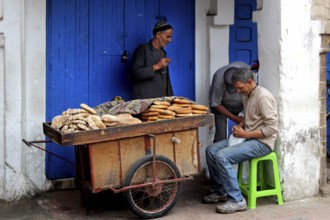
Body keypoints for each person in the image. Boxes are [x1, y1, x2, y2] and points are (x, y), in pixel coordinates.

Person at [203, 68, 278, 214]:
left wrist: (246, 133)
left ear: (250, 82)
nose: (238, 91)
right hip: (248, 137)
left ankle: (237, 200)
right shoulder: (247, 94)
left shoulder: (263, 97)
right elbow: (248, 118)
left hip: (262, 143)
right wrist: (240, 127)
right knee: (211, 150)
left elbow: (272, 129)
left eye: (240, 88)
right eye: (237, 88)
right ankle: (220, 191)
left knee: (222, 156)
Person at [131, 20, 174, 99]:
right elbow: (135, 74)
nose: (170, 40)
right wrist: (156, 66)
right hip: (145, 101)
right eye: (168, 36)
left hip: (161, 102)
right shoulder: (142, 50)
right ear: (158, 34)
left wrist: (171, 98)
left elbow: (166, 80)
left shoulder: (163, 53)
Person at [209, 61, 250, 143]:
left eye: (239, 88)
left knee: (247, 131)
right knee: (221, 137)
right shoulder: (218, 79)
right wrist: (235, 118)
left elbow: (252, 96)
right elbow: (215, 104)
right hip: (222, 106)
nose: (237, 91)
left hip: (242, 105)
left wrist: (243, 117)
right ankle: (219, 153)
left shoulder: (247, 72)